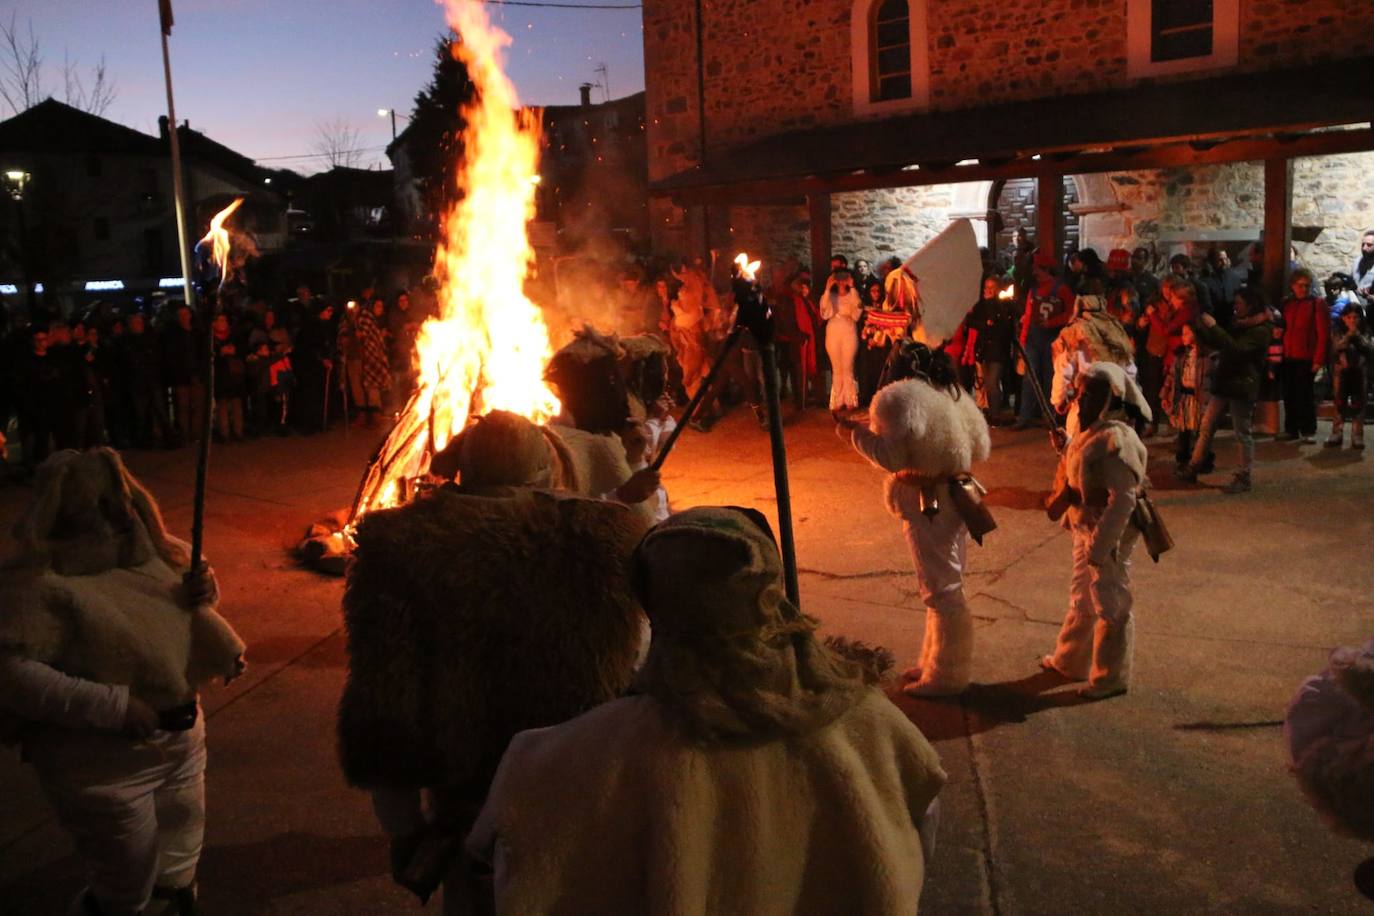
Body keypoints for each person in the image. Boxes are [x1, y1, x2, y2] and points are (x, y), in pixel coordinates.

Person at [467, 506, 947, 915]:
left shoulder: (569, 759)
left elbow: (517, 875)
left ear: (654, 605)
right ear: (773, 599)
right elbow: (919, 829)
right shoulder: (871, 724)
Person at [338, 411, 648, 913]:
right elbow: (639, 671)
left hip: (468, 816)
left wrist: (404, 829)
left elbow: (385, 709)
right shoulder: (604, 543)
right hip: (582, 798)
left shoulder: (398, 548)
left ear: (462, 474)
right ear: (546, 474)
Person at [0, 448, 245, 916]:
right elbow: (12, 675)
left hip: (182, 742)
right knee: (124, 885)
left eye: (116, 505)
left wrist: (202, 587)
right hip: (104, 767)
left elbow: (181, 614)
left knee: (177, 868)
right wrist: (112, 705)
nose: (112, 518)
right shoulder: (39, 583)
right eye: (96, 509)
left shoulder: (150, 551)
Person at [837, 342, 991, 696]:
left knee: (942, 591)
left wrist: (854, 434)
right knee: (943, 585)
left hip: (928, 504)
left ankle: (946, 676)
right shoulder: (953, 395)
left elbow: (890, 458)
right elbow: (981, 446)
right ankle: (933, 662)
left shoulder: (898, 398)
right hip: (960, 499)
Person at [1042, 362, 1151, 700]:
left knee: (1109, 598)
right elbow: (1084, 471)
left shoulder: (1116, 439)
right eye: (1080, 394)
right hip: (1084, 525)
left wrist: (1103, 546)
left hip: (1107, 530)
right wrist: (1065, 448)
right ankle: (1071, 660)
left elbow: (1123, 500)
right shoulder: (1092, 434)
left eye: (1092, 397)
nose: (1081, 402)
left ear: (1111, 400)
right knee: (1082, 593)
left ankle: (1109, 676)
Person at [1178, 287, 1274, 492]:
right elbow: (1220, 342)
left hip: (1242, 383)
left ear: (1250, 305)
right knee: (1207, 425)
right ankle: (1193, 467)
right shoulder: (1240, 324)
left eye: (1239, 303)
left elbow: (1235, 349)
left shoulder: (1260, 330)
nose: (1235, 307)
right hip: (1226, 381)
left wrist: (1214, 328)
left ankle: (1243, 475)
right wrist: (1202, 324)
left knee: (1242, 432)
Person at [1012, 251, 1074, 430]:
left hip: (1052, 340)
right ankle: (1025, 417)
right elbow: (1029, 316)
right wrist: (1023, 342)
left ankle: (1051, 417)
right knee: (1030, 379)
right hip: (1034, 339)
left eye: (1037, 269)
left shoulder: (1061, 289)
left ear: (1045, 269)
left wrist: (1052, 322)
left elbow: (1071, 313)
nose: (1034, 272)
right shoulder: (1034, 290)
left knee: (1051, 379)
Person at [1277, 269, 1330, 443]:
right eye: (1300, 285)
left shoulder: (1317, 304)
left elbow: (1323, 335)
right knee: (1289, 394)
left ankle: (1308, 430)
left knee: (1305, 396)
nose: (1304, 289)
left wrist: (1318, 360)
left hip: (1305, 357)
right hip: (1288, 356)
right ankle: (1291, 428)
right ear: (1293, 286)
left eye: (1307, 285)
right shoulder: (1287, 304)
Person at [967, 275, 1016, 423]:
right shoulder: (981, 306)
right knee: (987, 383)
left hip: (997, 350)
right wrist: (985, 325)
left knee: (993, 382)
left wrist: (990, 325)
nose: (987, 291)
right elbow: (971, 321)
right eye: (986, 287)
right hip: (984, 349)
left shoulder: (1003, 306)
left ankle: (995, 414)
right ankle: (991, 411)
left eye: (991, 288)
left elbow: (1003, 328)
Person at [1161, 323, 1208, 472]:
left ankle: (1201, 460)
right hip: (1184, 398)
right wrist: (1165, 394)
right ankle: (1183, 459)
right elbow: (1172, 376)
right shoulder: (1181, 356)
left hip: (1198, 397)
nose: (1184, 337)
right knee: (1184, 430)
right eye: (1183, 334)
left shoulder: (1206, 357)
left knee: (1200, 430)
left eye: (1187, 333)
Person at [1325, 303, 1369, 450]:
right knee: (1339, 401)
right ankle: (1337, 432)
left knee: (1359, 403)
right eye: (1349, 317)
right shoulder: (1337, 331)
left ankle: (1357, 435)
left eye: (1355, 317)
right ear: (1343, 318)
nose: (1352, 320)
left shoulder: (1365, 331)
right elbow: (1336, 348)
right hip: (1341, 372)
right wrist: (1348, 337)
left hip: (1359, 371)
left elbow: (1369, 347)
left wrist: (1357, 336)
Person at [821, 267, 862, 410]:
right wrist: (827, 288)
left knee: (848, 366)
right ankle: (837, 400)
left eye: (843, 278)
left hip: (849, 330)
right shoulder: (830, 296)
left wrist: (853, 288)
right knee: (836, 367)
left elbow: (857, 312)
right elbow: (824, 312)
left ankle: (850, 399)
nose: (840, 282)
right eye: (838, 279)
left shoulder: (853, 295)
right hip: (833, 331)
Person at [211, 314, 247, 443]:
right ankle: (224, 433)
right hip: (221, 375)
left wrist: (234, 350)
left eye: (225, 320)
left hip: (234, 375)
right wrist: (219, 353)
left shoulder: (234, 335)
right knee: (222, 405)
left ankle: (238, 431)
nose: (224, 322)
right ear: (214, 323)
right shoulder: (211, 339)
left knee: (237, 403)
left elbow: (244, 350)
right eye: (220, 320)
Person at [1351, 229, 1374, 304]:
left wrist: (1370, 297)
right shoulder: (1356, 261)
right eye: (1363, 244)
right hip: (1355, 309)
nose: (1364, 248)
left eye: (1369, 245)